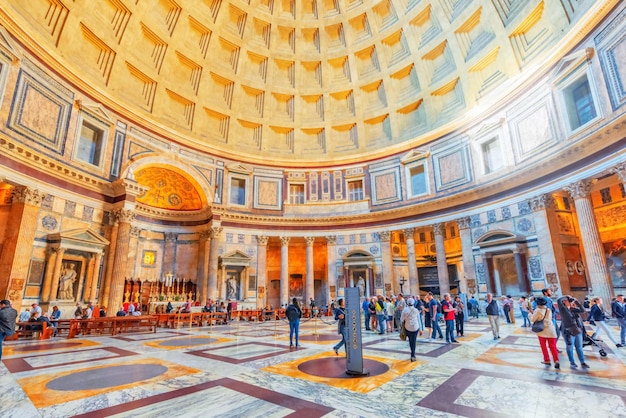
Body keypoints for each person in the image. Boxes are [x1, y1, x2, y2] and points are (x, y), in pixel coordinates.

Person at [557, 296, 589, 369]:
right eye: (568, 301)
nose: (570, 302)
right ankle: (572, 362)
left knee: (579, 347)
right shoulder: (563, 310)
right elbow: (559, 300)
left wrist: (576, 301)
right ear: (564, 302)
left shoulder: (573, 309)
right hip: (568, 331)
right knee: (570, 346)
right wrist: (566, 296)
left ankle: (582, 362)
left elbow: (583, 310)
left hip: (578, 330)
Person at [531, 296, 560, 369]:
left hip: (542, 330)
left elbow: (532, 319)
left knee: (543, 346)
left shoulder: (538, 310)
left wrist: (530, 313)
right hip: (550, 330)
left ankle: (547, 360)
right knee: (553, 347)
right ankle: (556, 360)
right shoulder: (548, 309)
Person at [401, 298, 422, 362]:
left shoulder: (405, 310)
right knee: (414, 340)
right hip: (415, 327)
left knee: (411, 341)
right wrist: (420, 329)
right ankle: (413, 354)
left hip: (408, 327)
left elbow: (401, 319)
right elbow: (419, 320)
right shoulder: (416, 310)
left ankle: (412, 354)